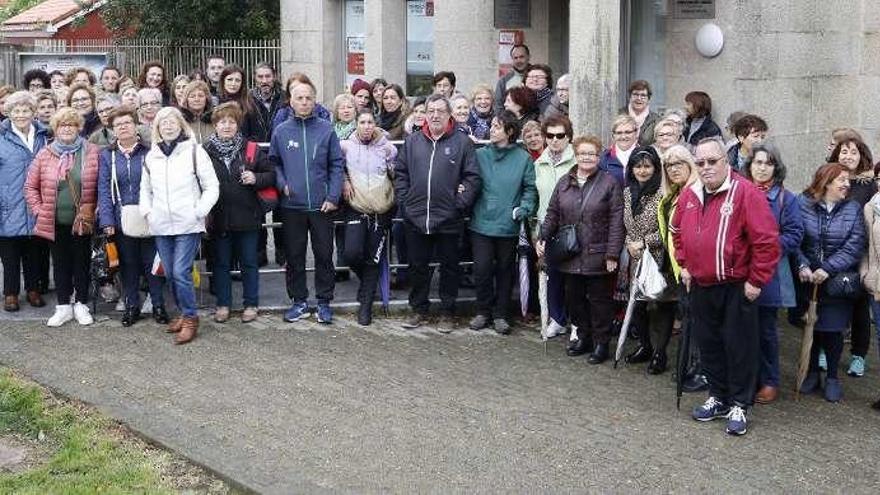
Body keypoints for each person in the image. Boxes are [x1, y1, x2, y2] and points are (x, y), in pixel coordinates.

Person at [672, 136, 780, 436]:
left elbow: (767, 241)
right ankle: (718, 397)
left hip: (736, 285)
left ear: (726, 161)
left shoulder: (746, 193)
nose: (706, 168)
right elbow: (678, 231)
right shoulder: (690, 194)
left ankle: (740, 404)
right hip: (701, 284)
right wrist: (685, 265)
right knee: (710, 345)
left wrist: (756, 280)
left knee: (740, 347)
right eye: (700, 163)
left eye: (712, 161)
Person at [393, 94, 481, 331]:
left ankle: (447, 312)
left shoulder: (462, 143)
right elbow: (400, 173)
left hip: (449, 218)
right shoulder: (412, 142)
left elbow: (472, 177)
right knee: (418, 266)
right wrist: (406, 201)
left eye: (440, 111)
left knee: (450, 268)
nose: (434, 115)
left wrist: (459, 203)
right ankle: (418, 309)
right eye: (430, 110)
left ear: (449, 114)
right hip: (416, 216)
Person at [537, 135, 624, 364]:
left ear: (598, 157)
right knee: (574, 299)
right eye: (583, 153)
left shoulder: (609, 183)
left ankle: (601, 343)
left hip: (599, 252)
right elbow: (552, 213)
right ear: (576, 155)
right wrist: (543, 236)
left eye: (592, 154)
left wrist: (613, 253)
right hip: (570, 253)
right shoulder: (565, 181)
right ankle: (583, 337)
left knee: (599, 301)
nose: (587, 158)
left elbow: (617, 220)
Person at [140, 107, 219, 344]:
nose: (168, 126)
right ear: (157, 128)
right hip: (161, 224)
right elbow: (146, 189)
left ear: (181, 125)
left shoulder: (195, 152)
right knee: (170, 274)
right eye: (163, 123)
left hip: (188, 223)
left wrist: (199, 211)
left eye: (172, 122)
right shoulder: (151, 156)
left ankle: (191, 319)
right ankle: (183, 313)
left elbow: (212, 186)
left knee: (180, 272)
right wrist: (148, 212)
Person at [270, 75, 344, 324]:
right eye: (299, 98)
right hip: (292, 207)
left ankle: (324, 302)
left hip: (323, 206)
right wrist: (282, 184)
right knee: (295, 256)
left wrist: (333, 196)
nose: (304, 102)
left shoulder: (326, 129)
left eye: (308, 98)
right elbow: (274, 163)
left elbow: (336, 164)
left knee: (324, 255)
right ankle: (298, 301)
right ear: (291, 101)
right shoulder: (281, 131)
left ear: (314, 101)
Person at [25, 107, 101, 328]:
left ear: (79, 127)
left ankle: (81, 304)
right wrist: (40, 210)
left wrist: (95, 211)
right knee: (60, 264)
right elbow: (30, 187)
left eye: (71, 125)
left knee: (82, 262)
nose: (67, 129)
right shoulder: (45, 154)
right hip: (54, 220)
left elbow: (100, 185)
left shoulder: (92, 151)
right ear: (56, 129)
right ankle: (63, 306)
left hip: (82, 220)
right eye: (62, 125)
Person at [798, 163, 866, 402]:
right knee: (812, 327)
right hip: (808, 280)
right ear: (826, 182)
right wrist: (803, 265)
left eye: (848, 180)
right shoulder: (803, 204)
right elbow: (796, 240)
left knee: (833, 330)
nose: (847, 184)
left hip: (837, 281)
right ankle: (813, 373)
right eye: (842, 180)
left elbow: (855, 245)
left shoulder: (853, 208)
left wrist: (827, 268)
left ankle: (833, 377)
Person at [742, 143, 803, 404]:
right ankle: (746, 377)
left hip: (770, 273)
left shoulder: (785, 199)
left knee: (766, 330)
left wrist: (765, 246)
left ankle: (769, 380)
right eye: (758, 162)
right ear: (750, 165)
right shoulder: (739, 192)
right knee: (742, 328)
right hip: (740, 269)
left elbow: (795, 234)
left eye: (768, 163)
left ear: (775, 168)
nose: (762, 168)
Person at [203, 102, 275, 324]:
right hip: (219, 217)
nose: (227, 126)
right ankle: (223, 305)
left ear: (238, 124)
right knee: (221, 264)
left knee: (249, 262)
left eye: (231, 122)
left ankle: (251, 304)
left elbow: (271, 174)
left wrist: (256, 178)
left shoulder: (251, 148)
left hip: (248, 215)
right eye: (222, 122)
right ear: (215, 125)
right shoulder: (205, 151)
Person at [97, 107, 169, 327]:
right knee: (128, 265)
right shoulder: (107, 155)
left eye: (127, 122)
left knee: (152, 264)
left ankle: (158, 305)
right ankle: (131, 306)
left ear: (136, 125)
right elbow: (104, 190)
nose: (123, 127)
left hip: (149, 216)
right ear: (113, 129)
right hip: (122, 220)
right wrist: (107, 221)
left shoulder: (151, 152)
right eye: (118, 125)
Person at [468, 110, 537, 334]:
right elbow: (469, 180)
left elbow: (529, 188)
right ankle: (482, 311)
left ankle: (501, 314)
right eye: (492, 126)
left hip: (509, 223)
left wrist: (523, 209)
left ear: (509, 131)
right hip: (481, 222)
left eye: (497, 127)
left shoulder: (523, 158)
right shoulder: (480, 155)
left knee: (506, 270)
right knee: (482, 268)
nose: (492, 130)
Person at [621, 146, 677, 374]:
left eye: (647, 166)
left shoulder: (664, 193)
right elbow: (626, 224)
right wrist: (629, 243)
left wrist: (644, 242)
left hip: (659, 259)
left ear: (655, 168)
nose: (642, 171)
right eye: (637, 166)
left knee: (662, 305)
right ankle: (645, 346)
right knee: (637, 306)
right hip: (636, 259)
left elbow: (669, 229)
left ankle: (659, 353)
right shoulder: (627, 192)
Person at [339, 108, 398, 325]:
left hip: (381, 211)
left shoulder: (387, 147)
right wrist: (344, 180)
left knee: (374, 258)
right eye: (362, 122)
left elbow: (396, 172)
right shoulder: (345, 146)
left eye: (370, 122)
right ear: (356, 124)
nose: (366, 126)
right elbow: (336, 166)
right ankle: (369, 285)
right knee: (352, 253)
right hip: (356, 207)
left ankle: (365, 306)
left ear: (375, 124)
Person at [829, 137, 875, 377]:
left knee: (859, 308)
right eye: (844, 151)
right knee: (832, 304)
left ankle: (858, 355)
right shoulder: (828, 179)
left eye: (853, 152)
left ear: (861, 156)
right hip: (832, 253)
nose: (848, 156)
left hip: (859, 256)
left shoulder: (868, 185)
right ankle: (827, 351)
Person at [0, 91, 50, 311]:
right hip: (8, 202)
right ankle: (10, 293)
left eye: (25, 110)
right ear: (9, 113)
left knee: (34, 251)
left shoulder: (43, 135)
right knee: (10, 252)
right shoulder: (2, 137)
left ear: (33, 112)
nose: (21, 115)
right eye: (16, 111)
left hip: (36, 201)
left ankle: (33, 289)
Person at [657, 144, 699, 376]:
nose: (673, 169)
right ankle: (688, 365)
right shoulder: (674, 193)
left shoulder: (695, 192)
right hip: (677, 268)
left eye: (678, 163)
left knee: (695, 320)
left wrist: (688, 266)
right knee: (687, 316)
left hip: (692, 269)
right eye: (668, 165)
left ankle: (694, 367)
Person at [533, 116, 575, 339]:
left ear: (568, 137)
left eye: (560, 135)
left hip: (573, 227)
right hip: (547, 226)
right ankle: (557, 319)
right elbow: (535, 197)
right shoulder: (538, 163)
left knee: (575, 279)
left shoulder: (577, 162)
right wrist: (536, 232)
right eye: (550, 135)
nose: (555, 140)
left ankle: (577, 323)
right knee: (553, 277)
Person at [248, 62, 284, 143]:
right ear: (255, 78)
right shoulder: (248, 99)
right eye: (260, 77)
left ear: (274, 77)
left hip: (279, 148)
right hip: (255, 149)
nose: (264, 81)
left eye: (268, 76)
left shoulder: (284, 98)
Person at [598, 114, 638, 183]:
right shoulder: (603, 158)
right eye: (619, 133)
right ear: (613, 135)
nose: (623, 136)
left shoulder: (646, 155)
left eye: (628, 132)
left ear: (636, 133)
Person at [619, 80, 659, 147]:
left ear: (648, 99)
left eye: (643, 95)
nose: (639, 98)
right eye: (635, 94)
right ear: (630, 96)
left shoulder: (656, 120)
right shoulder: (618, 115)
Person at [494, 43, 530, 114]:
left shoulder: (537, 77)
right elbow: (498, 106)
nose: (518, 60)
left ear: (528, 57)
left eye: (521, 57)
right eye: (515, 58)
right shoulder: (504, 81)